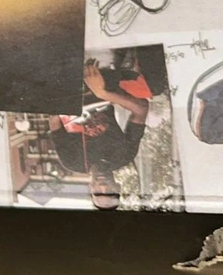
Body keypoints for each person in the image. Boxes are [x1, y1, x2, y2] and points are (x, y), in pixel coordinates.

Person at [47, 58, 153, 209]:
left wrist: (64, 94)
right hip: (101, 83)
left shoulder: (71, 162)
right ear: (117, 187)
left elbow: (54, 122)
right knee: (153, 86)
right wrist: (102, 92)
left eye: (98, 193)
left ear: (91, 189)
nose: (103, 187)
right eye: (110, 192)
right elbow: (142, 109)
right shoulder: (124, 155)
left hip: (66, 90)